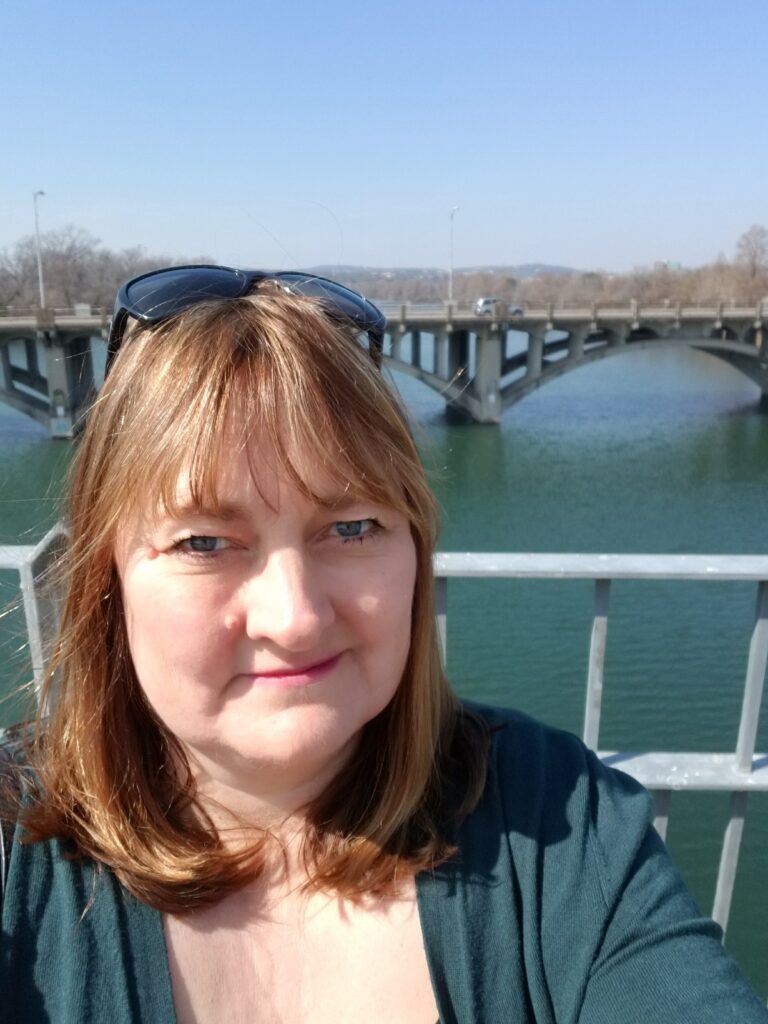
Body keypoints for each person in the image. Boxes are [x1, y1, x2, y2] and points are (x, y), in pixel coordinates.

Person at [1, 265, 766, 1024]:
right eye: (203, 541)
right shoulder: (12, 849)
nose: (294, 617)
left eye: (351, 527)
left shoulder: (561, 822)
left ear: (415, 553)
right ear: (108, 579)